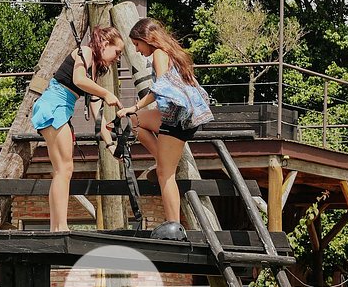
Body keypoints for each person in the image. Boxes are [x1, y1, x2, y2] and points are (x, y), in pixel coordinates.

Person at [118, 17, 213, 238]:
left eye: (137, 45)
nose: (137, 50)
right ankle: (161, 157)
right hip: (175, 115)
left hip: (176, 119)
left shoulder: (160, 54)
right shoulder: (171, 53)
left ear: (146, 39)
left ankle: (174, 227)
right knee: (136, 121)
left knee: (165, 174)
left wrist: (134, 106)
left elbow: (160, 89)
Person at [32, 26, 124, 231]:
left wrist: (110, 145)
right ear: (105, 44)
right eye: (117, 52)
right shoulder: (86, 52)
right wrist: (106, 93)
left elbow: (96, 113)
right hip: (54, 104)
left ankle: (57, 227)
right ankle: (59, 227)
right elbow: (78, 80)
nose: (117, 59)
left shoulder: (94, 69)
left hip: (62, 108)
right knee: (64, 169)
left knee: (63, 170)